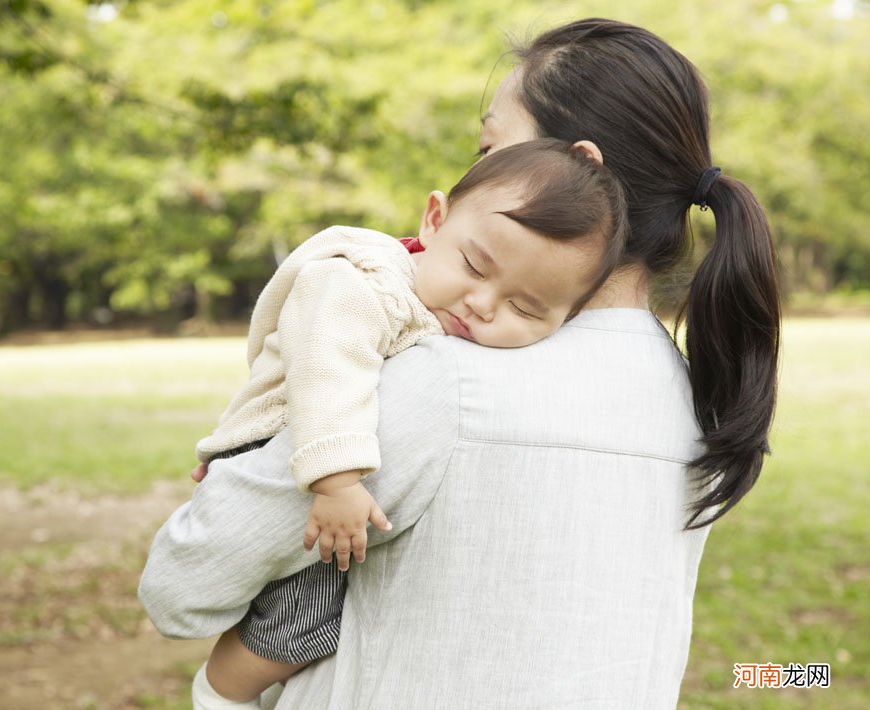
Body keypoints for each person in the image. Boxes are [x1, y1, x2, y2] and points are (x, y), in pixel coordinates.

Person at [139, 18, 781, 708]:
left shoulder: (440, 385)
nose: (474, 166)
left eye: (489, 145)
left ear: (579, 165)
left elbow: (181, 589)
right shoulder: (698, 399)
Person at [186, 137, 627, 709]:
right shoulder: (362, 282)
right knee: (306, 618)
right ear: (435, 219)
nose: (483, 305)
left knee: (315, 614)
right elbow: (326, 367)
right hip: (301, 451)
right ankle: (222, 692)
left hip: (318, 455)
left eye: (526, 308)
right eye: (473, 266)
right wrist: (337, 480)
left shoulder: (449, 316)